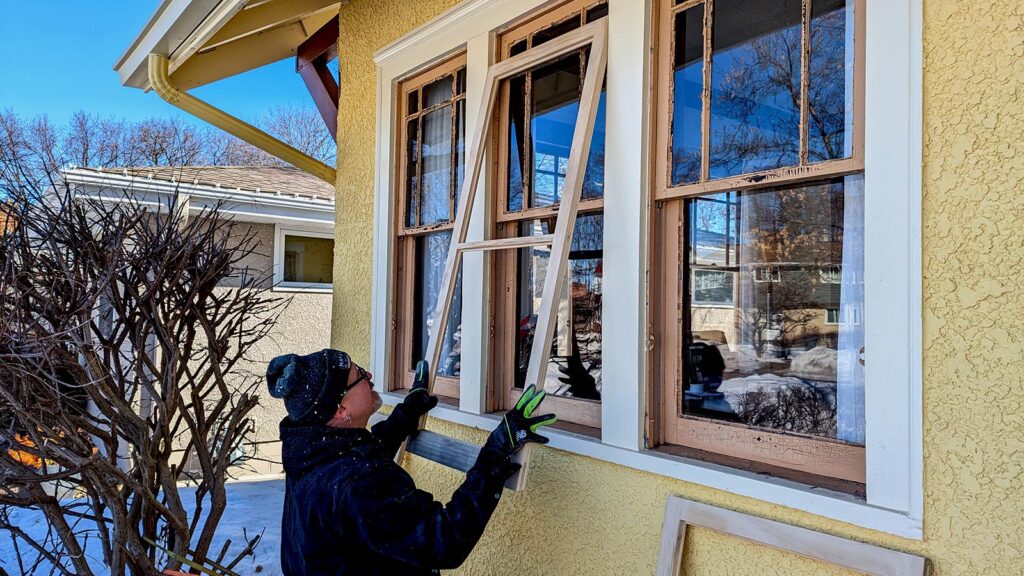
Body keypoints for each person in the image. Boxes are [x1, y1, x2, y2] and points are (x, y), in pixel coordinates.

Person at [266, 349, 556, 575]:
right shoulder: (355, 483)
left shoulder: (313, 456)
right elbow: (444, 540)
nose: (369, 375)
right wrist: (495, 453)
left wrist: (407, 414)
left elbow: (361, 453)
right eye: (359, 377)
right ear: (341, 410)